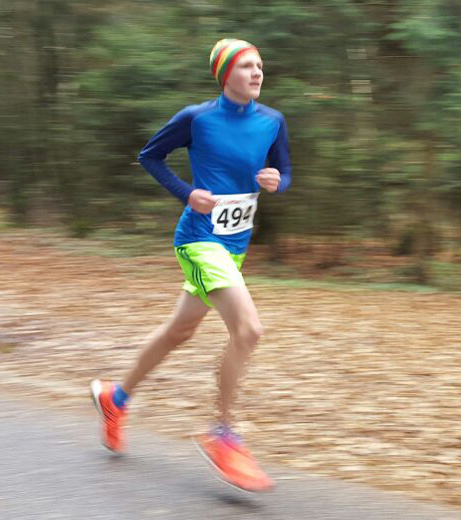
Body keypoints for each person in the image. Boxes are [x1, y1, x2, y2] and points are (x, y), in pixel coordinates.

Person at [90, 38, 291, 493]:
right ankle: (222, 433)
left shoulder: (273, 122)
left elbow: (285, 171)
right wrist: (187, 194)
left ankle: (115, 398)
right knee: (249, 330)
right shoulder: (196, 119)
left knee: (179, 332)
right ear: (225, 75)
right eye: (246, 67)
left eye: (260, 65)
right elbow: (150, 156)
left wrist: (278, 182)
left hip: (236, 244)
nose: (257, 73)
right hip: (199, 240)